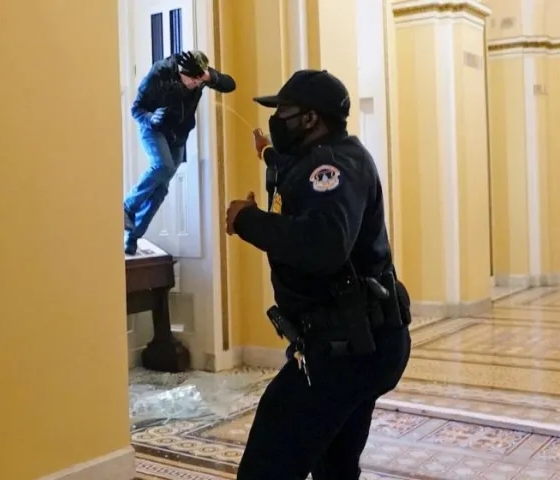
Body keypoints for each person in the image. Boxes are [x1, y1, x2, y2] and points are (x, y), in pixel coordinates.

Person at [224, 69, 412, 479]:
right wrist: (267, 152)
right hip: (364, 341)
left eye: (284, 112)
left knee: (267, 464)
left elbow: (324, 244)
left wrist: (247, 220)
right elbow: (295, 171)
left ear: (311, 119)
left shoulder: (332, 166)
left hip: (345, 349)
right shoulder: (330, 154)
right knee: (336, 464)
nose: (278, 119)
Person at [124, 50, 236, 254]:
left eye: (199, 79)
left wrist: (210, 77)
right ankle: (127, 207)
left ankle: (132, 237)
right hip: (153, 128)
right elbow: (136, 109)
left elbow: (230, 85)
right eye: (191, 78)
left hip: (178, 136)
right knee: (163, 166)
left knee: (161, 190)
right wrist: (151, 118)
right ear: (180, 72)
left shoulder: (201, 76)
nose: (195, 83)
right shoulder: (159, 74)